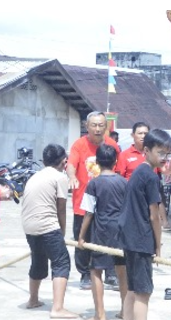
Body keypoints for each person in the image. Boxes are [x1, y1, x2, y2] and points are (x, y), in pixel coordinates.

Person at [117, 131, 171, 320]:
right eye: (160, 153)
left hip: (129, 236)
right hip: (140, 238)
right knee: (142, 292)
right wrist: (158, 244)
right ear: (146, 151)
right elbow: (154, 215)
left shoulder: (139, 172)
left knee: (132, 289)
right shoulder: (149, 176)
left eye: (167, 154)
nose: (164, 158)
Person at [17, 143, 78, 320]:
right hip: (47, 225)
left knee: (38, 261)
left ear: (44, 161)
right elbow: (61, 208)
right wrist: (62, 232)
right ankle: (57, 308)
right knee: (61, 262)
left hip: (29, 225)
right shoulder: (60, 177)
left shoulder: (35, 176)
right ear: (64, 161)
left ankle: (33, 299)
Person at [76, 142, 129, 320]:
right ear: (115, 161)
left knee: (96, 270)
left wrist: (81, 236)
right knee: (122, 270)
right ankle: (125, 310)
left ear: (97, 162)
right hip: (121, 230)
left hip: (102, 230)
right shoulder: (124, 182)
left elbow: (88, 212)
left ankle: (100, 315)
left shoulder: (94, 184)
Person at [66, 112, 121, 289]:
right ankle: (85, 274)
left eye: (101, 125)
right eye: (94, 125)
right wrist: (72, 177)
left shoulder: (112, 145)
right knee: (83, 239)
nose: (97, 129)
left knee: (110, 239)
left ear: (106, 127)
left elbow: (119, 169)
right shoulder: (79, 144)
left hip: (108, 204)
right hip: (83, 203)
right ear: (87, 126)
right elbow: (71, 165)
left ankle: (111, 274)